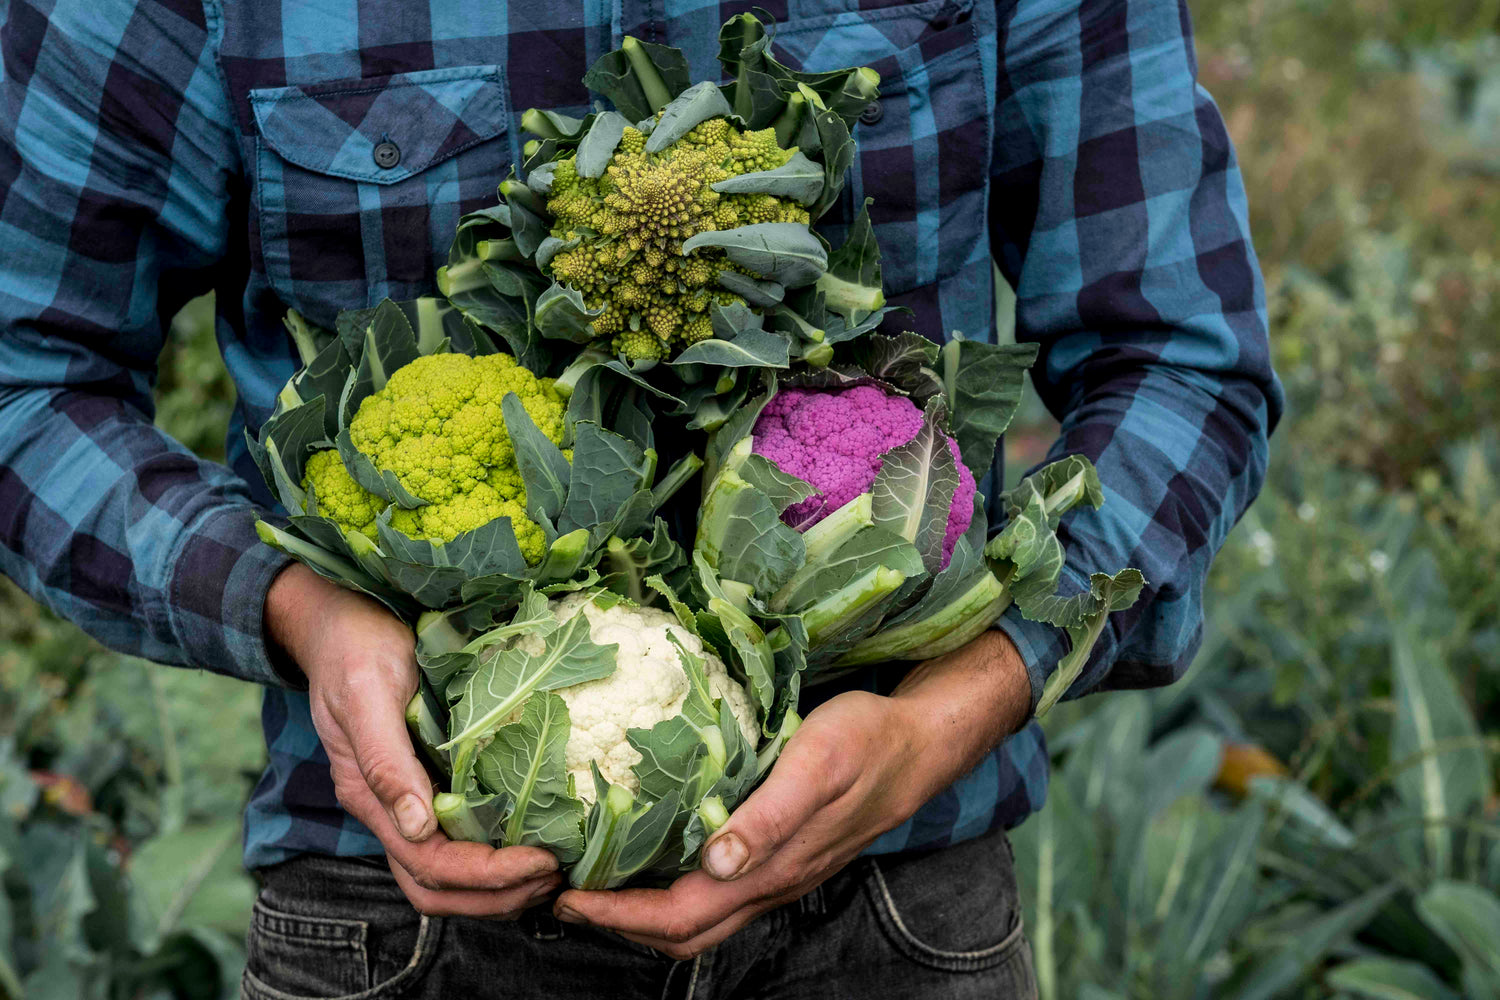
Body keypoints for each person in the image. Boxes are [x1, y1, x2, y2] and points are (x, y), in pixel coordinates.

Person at [0, 1, 1280, 997]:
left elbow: (1180, 356)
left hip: (891, 912)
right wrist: (300, 610)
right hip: (405, 926)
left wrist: (949, 715)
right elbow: (26, 376)